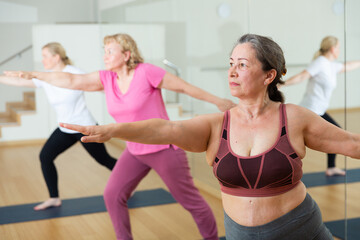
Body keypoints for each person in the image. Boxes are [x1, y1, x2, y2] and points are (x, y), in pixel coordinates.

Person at [53, 33, 360, 240]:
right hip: (239, 233)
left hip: (298, 228)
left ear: (269, 75)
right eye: (230, 64)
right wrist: (114, 129)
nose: (232, 72)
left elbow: (353, 145)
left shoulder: (294, 118)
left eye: (242, 65)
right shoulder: (216, 125)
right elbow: (166, 129)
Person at [5, 33, 236, 240]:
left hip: (163, 149)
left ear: (126, 54)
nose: (105, 55)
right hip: (134, 151)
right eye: (104, 51)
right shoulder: (107, 78)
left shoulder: (146, 72)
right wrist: (35, 74)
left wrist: (217, 101)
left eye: (110, 51)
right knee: (112, 195)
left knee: (191, 202)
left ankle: (211, 237)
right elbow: (72, 81)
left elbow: (184, 88)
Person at [0, 42, 117, 211]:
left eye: (45, 56)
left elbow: (100, 87)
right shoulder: (45, 77)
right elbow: (19, 82)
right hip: (64, 128)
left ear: (56, 57)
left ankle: (128, 181)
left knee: (103, 159)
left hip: (84, 127)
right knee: (45, 157)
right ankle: (53, 198)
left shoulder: (75, 74)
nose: (43, 60)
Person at [283, 36, 360, 176]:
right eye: (338, 47)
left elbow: (347, 66)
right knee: (299, 141)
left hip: (319, 111)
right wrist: (282, 84)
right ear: (332, 48)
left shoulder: (331, 65)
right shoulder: (320, 63)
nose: (339, 50)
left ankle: (331, 167)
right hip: (310, 110)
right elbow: (302, 76)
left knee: (334, 134)